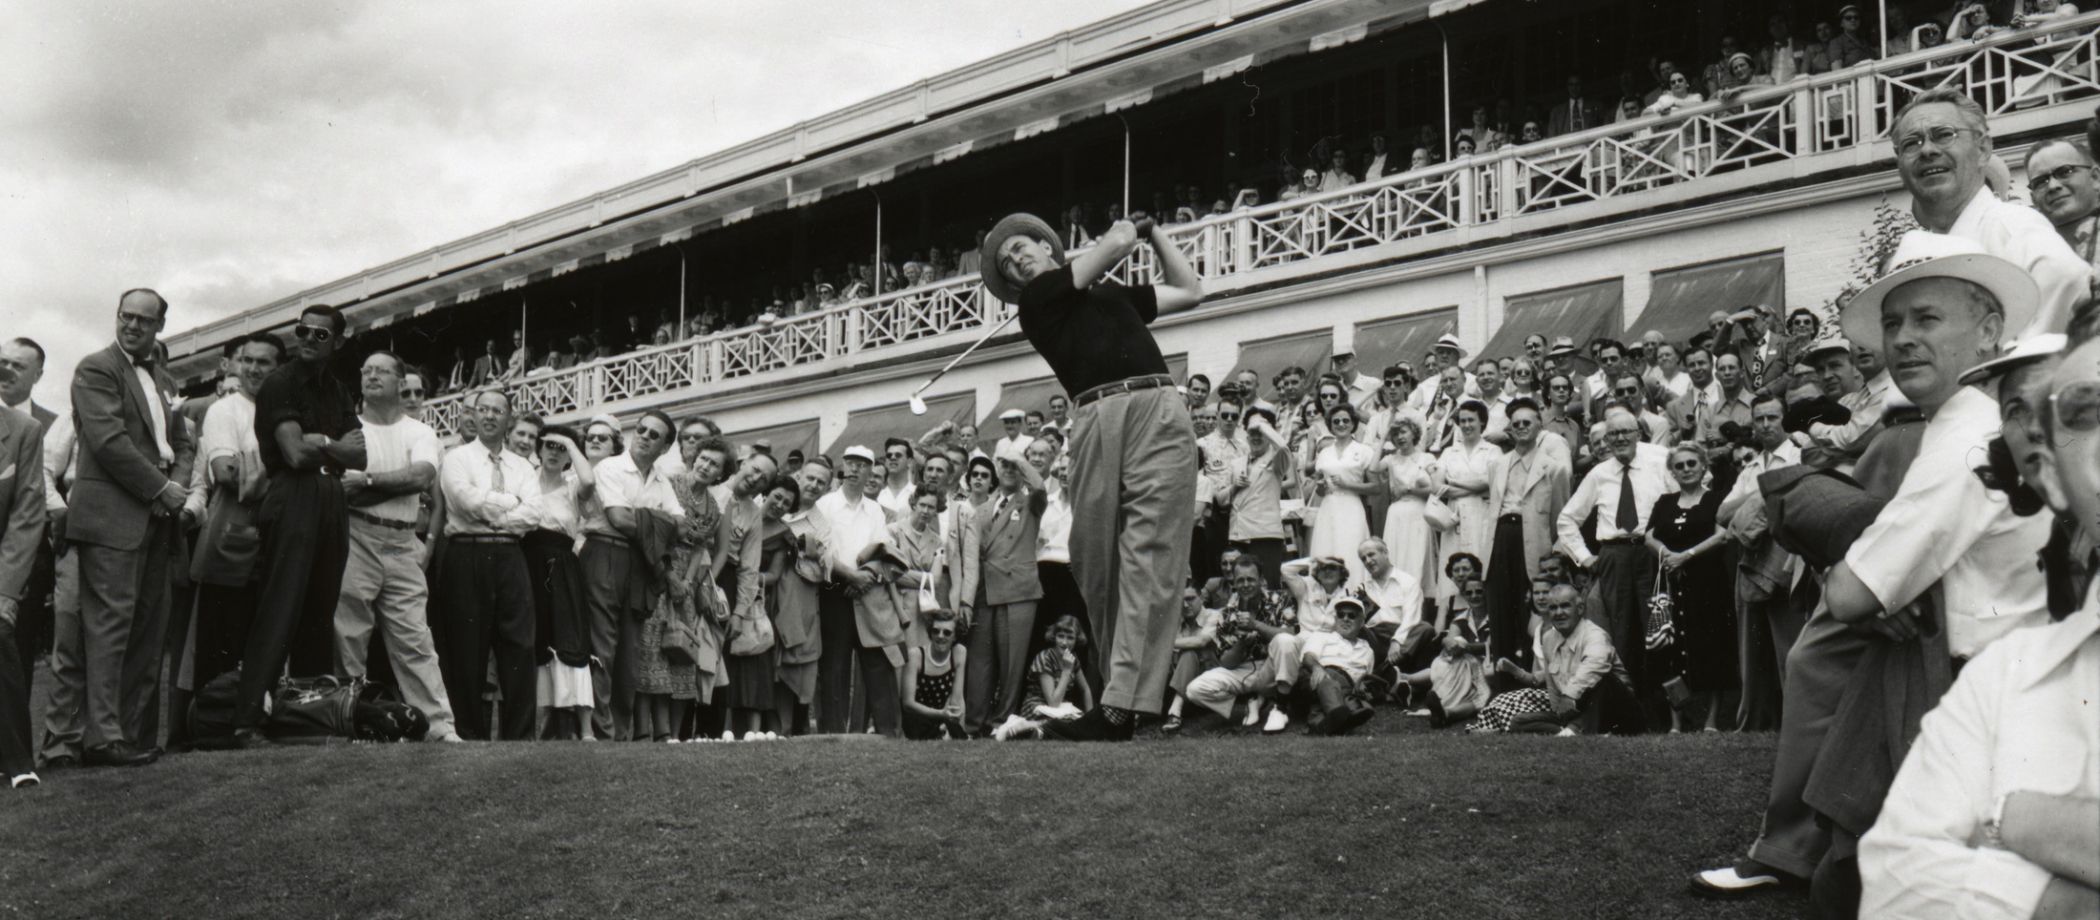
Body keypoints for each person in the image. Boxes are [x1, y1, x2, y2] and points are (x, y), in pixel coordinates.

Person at [1692, 231, 2053, 899]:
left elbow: (1857, 596)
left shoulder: (1965, 436)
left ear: (1990, 331)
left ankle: (1800, 851)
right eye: (1893, 324)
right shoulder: (1962, 420)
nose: (1905, 338)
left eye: (1927, 318)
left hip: (1979, 692)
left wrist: (1854, 574)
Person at [1856, 336, 2100, 918]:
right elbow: (1898, 887)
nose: (2033, 425)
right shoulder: (2001, 683)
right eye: (2014, 408)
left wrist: (2017, 819)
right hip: (1982, 682)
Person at [64, 290, 194, 765]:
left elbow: (181, 444)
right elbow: (109, 442)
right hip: (113, 518)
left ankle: (132, 737)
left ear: (160, 326)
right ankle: (102, 738)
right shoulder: (96, 368)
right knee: (109, 630)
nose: (133, 326)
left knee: (148, 631)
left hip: (158, 518)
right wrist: (162, 490)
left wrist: (174, 488)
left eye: (144, 320)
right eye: (126, 317)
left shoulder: (164, 379)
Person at [332, 351, 460, 743]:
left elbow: (420, 476)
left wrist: (368, 482)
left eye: (382, 371)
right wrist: (392, 482)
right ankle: (348, 721)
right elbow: (342, 493)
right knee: (348, 634)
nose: (371, 376)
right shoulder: (348, 429)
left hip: (404, 541)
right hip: (356, 536)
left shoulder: (419, 431)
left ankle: (439, 728)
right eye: (366, 370)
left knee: (415, 640)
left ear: (400, 382)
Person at [1893, 88, 2091, 336]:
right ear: (1899, 163)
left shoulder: (2010, 225)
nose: (1927, 151)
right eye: (1911, 143)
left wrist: (2011, 367)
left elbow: (2069, 280)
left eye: (1944, 135)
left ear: (1983, 149)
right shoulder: (1919, 252)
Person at [434, 389, 539, 741]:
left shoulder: (523, 465)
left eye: (498, 410)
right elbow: (464, 502)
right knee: (466, 647)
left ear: (509, 419)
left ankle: (519, 736)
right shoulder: (457, 458)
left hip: (510, 556)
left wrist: (495, 515)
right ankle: (469, 733)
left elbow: (534, 514)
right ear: (474, 416)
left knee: (519, 646)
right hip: (467, 553)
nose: (490, 416)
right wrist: (511, 504)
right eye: (484, 410)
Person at [183, 334, 280, 709]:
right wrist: (288, 468)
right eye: (247, 361)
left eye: (263, 362)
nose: (253, 369)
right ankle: (212, 723)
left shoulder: (284, 408)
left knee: (265, 634)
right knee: (221, 637)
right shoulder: (226, 410)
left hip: (273, 535)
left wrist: (258, 469)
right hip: (232, 536)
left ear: (278, 368)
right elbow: (225, 472)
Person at [1555, 408, 1670, 711]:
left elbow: (1690, 488)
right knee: (1620, 633)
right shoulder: (1600, 472)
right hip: (1613, 556)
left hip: (1650, 551)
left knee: (1656, 628)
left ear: (1638, 434)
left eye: (1625, 432)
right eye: (1612, 434)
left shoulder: (1660, 459)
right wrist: (1584, 558)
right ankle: (1629, 708)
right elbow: (1567, 519)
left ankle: (1664, 709)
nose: (1619, 439)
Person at [580, 414, 671, 740]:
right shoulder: (611, 468)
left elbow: (684, 527)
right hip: (605, 552)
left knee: (630, 651)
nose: (645, 437)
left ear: (665, 446)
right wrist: (657, 522)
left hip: (640, 563)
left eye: (654, 435)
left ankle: (620, 730)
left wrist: (646, 522)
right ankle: (599, 729)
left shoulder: (663, 481)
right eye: (642, 430)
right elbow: (618, 518)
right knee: (602, 644)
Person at [1643, 444, 1737, 733]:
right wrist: (1667, 555)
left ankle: (1711, 721)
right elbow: (1648, 536)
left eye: (1691, 464)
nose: (1685, 469)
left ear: (1703, 466)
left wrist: (1688, 555)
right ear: (1672, 471)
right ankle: (1676, 722)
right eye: (1679, 465)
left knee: (1712, 647)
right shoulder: (1665, 502)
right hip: (1673, 583)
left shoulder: (1716, 500)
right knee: (1672, 649)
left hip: (1708, 583)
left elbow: (1723, 534)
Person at [1477, 583, 1643, 735]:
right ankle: (1570, 730)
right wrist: (1560, 712)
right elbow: (1549, 681)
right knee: (1518, 722)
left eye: (1565, 606)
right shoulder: (1549, 638)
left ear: (1579, 609)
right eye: (1553, 608)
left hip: (1616, 708)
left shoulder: (1595, 634)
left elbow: (1595, 665)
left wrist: (1569, 697)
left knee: (1600, 680)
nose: (1559, 613)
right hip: (1577, 709)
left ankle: (1575, 730)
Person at [518, 423, 595, 741]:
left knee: (569, 639)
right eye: (548, 444)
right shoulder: (524, 480)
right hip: (526, 562)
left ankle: (586, 729)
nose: (554, 451)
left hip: (561, 567)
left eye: (561, 448)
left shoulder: (574, 484)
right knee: (533, 639)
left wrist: (570, 442)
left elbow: (590, 479)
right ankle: (536, 725)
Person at [1482, 398, 1571, 669]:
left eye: (1527, 423)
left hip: (1533, 545)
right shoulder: (1497, 464)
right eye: (1516, 423)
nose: (1521, 428)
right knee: (1500, 609)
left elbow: (1559, 515)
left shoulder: (1553, 468)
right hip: (1501, 539)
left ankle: (1533, 681)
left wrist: (1553, 555)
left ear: (1539, 426)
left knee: (1531, 611)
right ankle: (1503, 685)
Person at [964, 448, 1046, 736]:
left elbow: (1040, 485)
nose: (1009, 470)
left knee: (1012, 663)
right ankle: (975, 722)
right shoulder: (984, 507)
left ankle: (1001, 722)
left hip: (1017, 590)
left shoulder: (1030, 502)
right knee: (980, 662)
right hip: (985, 590)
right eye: (1004, 465)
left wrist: (1021, 460)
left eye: (1014, 467)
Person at [813, 445, 891, 734]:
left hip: (867, 590)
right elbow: (821, 551)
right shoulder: (825, 505)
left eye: (863, 464)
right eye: (851, 463)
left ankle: (882, 731)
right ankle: (833, 730)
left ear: (871, 471)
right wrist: (850, 578)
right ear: (843, 466)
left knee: (874, 659)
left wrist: (864, 578)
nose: (856, 469)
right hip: (835, 589)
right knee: (835, 663)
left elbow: (882, 547)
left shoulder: (874, 509)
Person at [1183, 556, 1301, 733]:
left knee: (1284, 641)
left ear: (1261, 580)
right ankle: (1251, 703)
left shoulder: (1281, 599)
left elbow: (1292, 634)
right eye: (1240, 580)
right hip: (1242, 670)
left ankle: (1280, 708)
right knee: (1195, 690)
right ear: (1234, 584)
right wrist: (1241, 643)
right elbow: (1226, 663)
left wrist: (1257, 626)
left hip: (1272, 667)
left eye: (1251, 579)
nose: (1245, 584)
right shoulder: (1227, 613)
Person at [0, 359, 48, 786]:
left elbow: (27, 516)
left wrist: (6, 594)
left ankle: (18, 766)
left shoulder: (23, 430)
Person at [759, 473, 824, 736]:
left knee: (772, 664)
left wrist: (749, 577)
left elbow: (775, 575)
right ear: (766, 494)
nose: (779, 504)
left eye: (786, 503)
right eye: (776, 497)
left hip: (765, 597)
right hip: (729, 591)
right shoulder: (743, 515)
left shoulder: (785, 535)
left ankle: (781, 727)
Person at [1436, 400, 1501, 602]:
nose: (1466, 425)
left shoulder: (1492, 451)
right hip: (1455, 515)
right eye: (1462, 421)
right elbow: (1437, 486)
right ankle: (1450, 615)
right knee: (1453, 565)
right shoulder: (1449, 452)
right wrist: (1470, 487)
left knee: (1479, 562)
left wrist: (1454, 483)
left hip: (1481, 512)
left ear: (1482, 422)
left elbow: (1490, 483)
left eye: (1471, 420)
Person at [1308, 404, 1377, 583]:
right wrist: (1321, 488)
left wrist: (1349, 485)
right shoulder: (1324, 452)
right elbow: (1319, 488)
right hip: (1328, 508)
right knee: (1326, 550)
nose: (1341, 424)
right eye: (1336, 421)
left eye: (1345, 420)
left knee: (1350, 550)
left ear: (1353, 424)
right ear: (1330, 425)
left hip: (1351, 507)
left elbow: (1375, 487)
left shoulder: (1363, 451)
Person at [1226, 405, 1293, 582]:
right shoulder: (1237, 463)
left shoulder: (1276, 459)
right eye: (1252, 430)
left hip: (1265, 534)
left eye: (1260, 431)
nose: (1256, 436)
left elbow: (1284, 448)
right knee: (1241, 587)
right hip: (1238, 534)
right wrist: (1234, 488)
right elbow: (1221, 498)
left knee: (1268, 585)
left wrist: (1263, 426)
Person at [2023, 138, 2100, 273]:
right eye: (2040, 182)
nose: (2053, 186)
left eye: (2065, 172)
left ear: (2095, 177)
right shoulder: (2029, 255)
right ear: (2033, 199)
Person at [1379, 416, 1438, 591]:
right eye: (1395, 434)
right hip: (1396, 514)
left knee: (1416, 557)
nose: (1400, 437)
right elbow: (1373, 468)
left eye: (1403, 432)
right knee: (1396, 556)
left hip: (1419, 512)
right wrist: (1382, 439)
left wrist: (1409, 490)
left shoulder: (1426, 458)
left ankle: (1417, 601)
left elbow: (1436, 489)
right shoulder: (1391, 459)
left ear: (1414, 434)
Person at [900, 608, 967, 740]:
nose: (940, 636)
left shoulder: (959, 652)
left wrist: (956, 721)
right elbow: (907, 703)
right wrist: (940, 714)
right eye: (935, 631)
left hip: (943, 715)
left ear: (955, 636)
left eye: (947, 633)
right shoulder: (916, 655)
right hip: (917, 718)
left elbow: (957, 697)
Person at [1018, 614, 1093, 722]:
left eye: (1070, 638)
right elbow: (1053, 702)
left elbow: (1085, 689)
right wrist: (1066, 671)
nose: (1064, 642)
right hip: (1036, 708)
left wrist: (1090, 718)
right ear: (1054, 636)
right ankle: (1028, 728)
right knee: (1062, 725)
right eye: (1061, 636)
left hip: (1058, 708)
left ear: (1077, 639)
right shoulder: (1045, 658)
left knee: (1079, 723)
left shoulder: (1073, 659)